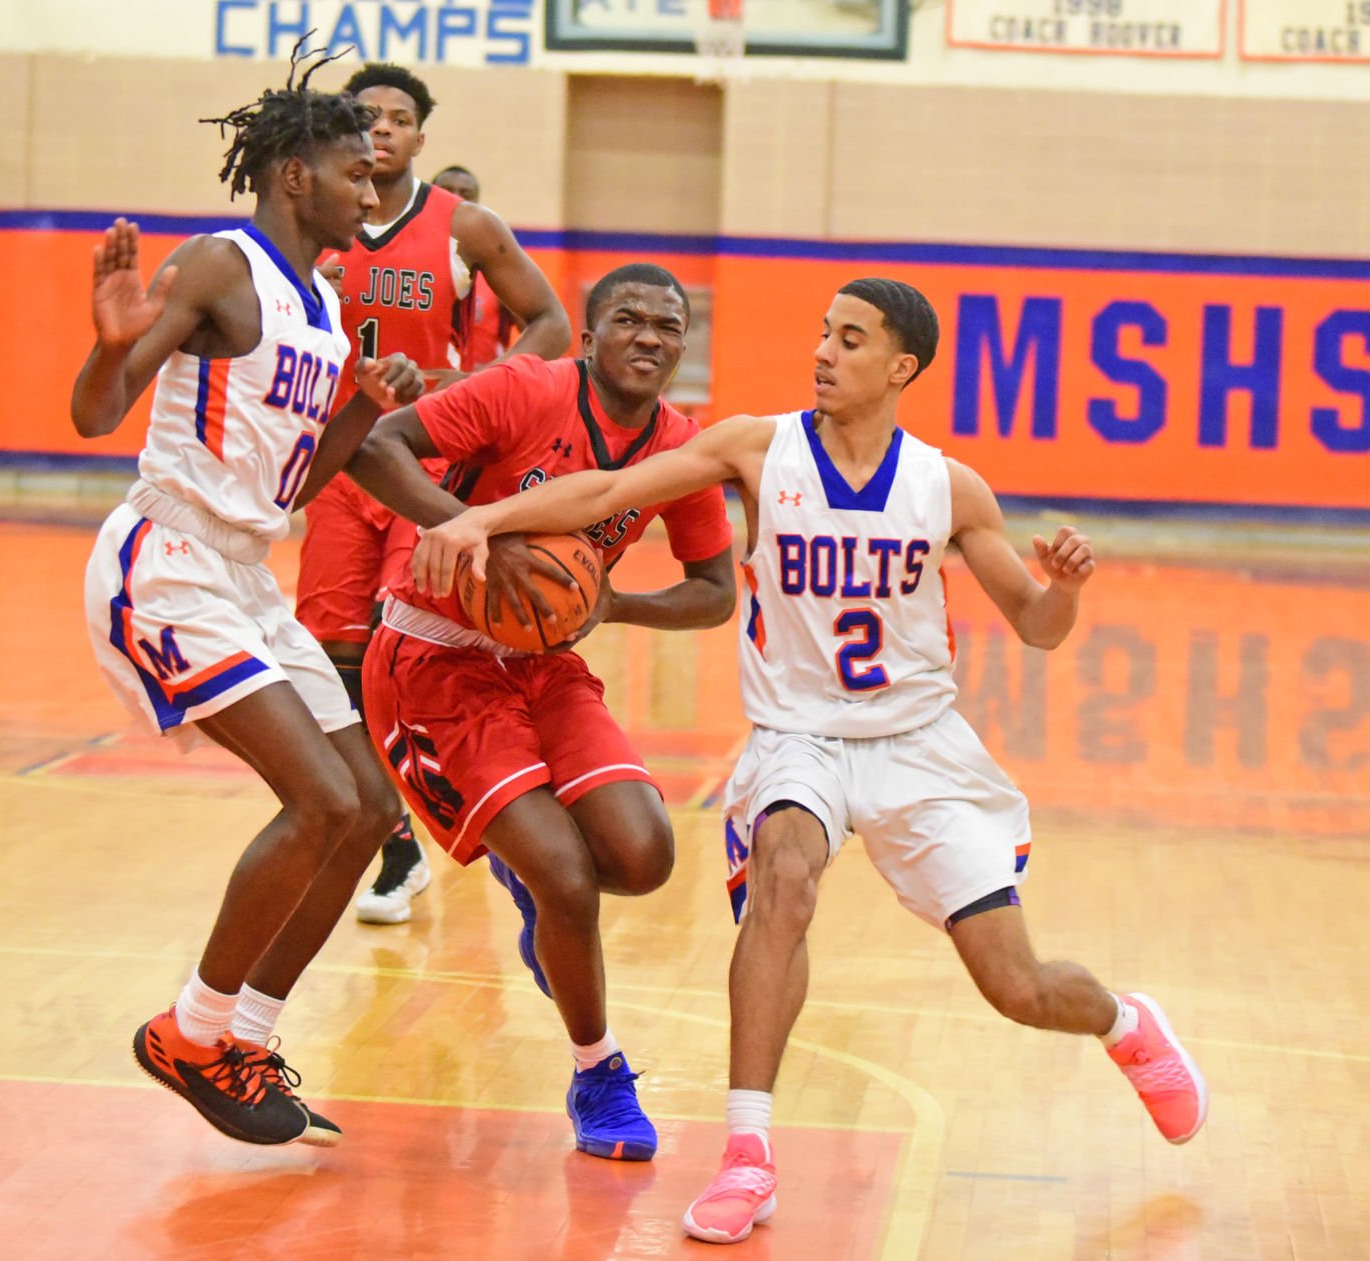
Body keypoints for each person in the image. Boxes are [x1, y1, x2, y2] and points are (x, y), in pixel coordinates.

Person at [411, 278, 1210, 1242]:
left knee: (1019, 985)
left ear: (901, 367)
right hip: (798, 736)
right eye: (823, 334)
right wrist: (483, 520)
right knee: (784, 878)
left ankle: (1126, 1024)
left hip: (917, 747)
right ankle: (748, 1156)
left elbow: (1037, 627)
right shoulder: (757, 446)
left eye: (851, 340)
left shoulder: (949, 488)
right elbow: (614, 492)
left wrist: (1066, 588)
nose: (824, 353)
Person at [72, 46, 423, 1149]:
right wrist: (108, 345)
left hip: (245, 569)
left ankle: (242, 1036)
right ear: (291, 177)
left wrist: (360, 416)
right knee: (320, 799)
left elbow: (291, 488)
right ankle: (189, 1029)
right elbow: (95, 415)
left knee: (367, 809)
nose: (370, 193)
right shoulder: (219, 266)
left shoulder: (322, 303)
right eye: (352, 173)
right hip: (168, 561)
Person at [345, 262, 738, 1161]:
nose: (650, 336)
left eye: (669, 325)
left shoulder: (680, 448)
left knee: (642, 858)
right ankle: (597, 1072)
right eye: (629, 319)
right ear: (590, 337)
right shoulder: (526, 388)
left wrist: (616, 605)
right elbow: (378, 446)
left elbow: (715, 590)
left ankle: (534, 887)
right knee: (566, 877)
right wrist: (468, 529)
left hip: (546, 662)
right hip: (433, 662)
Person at [296, 64, 571, 928]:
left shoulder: (465, 228)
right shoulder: (313, 221)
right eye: (365, 115)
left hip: (421, 466)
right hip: (341, 463)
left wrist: (469, 385)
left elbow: (553, 324)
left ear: (421, 137)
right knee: (332, 656)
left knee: (404, 653)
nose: (381, 127)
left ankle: (462, 821)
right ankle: (396, 847)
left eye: (399, 117)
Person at [431, 164, 524, 371]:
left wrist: (494, 371)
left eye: (466, 194)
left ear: (478, 203)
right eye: (446, 191)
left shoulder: (495, 266)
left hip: (482, 391)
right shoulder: (412, 257)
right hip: (424, 386)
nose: (456, 199)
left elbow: (541, 327)